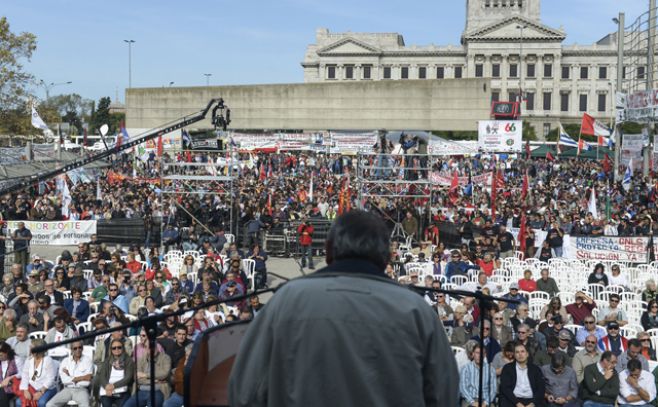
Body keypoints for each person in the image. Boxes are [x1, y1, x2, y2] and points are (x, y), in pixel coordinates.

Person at [229, 210, 459, 407]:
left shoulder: (286, 301)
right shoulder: (415, 310)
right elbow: (444, 393)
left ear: (328, 251)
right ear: (386, 257)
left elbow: (245, 390)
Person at [124, 329, 171, 407]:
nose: (151, 349)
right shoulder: (141, 360)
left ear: (157, 346)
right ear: (145, 349)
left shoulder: (165, 358)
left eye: (153, 347)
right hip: (141, 391)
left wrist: (145, 375)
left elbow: (164, 373)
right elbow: (137, 378)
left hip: (158, 391)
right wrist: (155, 381)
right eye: (149, 347)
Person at [45, 340, 93, 407]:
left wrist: (70, 376)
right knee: (49, 405)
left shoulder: (87, 360)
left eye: (80, 347)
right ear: (71, 350)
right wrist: (81, 378)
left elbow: (87, 381)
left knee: (85, 405)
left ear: (82, 348)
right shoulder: (65, 361)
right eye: (75, 348)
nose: (78, 350)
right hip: (67, 389)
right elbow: (64, 381)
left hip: (81, 389)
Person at [499, 342, 546, 407]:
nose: (520, 354)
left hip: (532, 400)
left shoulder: (535, 369)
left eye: (522, 351)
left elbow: (541, 389)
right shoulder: (507, 368)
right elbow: (505, 388)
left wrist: (532, 404)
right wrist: (517, 403)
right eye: (517, 352)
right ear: (514, 355)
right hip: (513, 400)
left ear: (527, 354)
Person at [95, 338, 134, 407]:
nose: (117, 349)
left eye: (119, 347)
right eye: (114, 348)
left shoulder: (128, 360)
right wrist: (106, 386)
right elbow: (102, 376)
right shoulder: (107, 360)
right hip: (108, 390)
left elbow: (128, 377)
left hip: (122, 390)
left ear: (123, 348)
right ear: (111, 349)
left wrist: (113, 386)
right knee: (106, 404)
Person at [17, 338, 57, 407]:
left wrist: (41, 392)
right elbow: (25, 376)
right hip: (32, 388)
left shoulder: (48, 360)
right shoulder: (29, 360)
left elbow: (51, 379)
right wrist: (25, 390)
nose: (30, 350)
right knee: (18, 402)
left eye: (32, 348)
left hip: (47, 389)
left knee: (41, 403)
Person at [0, 342, 20, 406]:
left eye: (1, 355)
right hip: (1, 387)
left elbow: (23, 374)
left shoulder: (16, 359)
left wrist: (10, 378)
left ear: (7, 352)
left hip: (13, 387)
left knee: (2, 394)